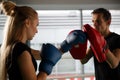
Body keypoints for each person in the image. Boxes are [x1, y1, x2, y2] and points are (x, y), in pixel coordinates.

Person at [0, 1, 62, 80]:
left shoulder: (13, 47)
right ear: (27, 22)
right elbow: (48, 57)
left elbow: (46, 55)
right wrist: (45, 70)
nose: (37, 31)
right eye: (36, 25)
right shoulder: (21, 51)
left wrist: (66, 45)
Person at [80, 8, 120, 80]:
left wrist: (102, 44)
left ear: (108, 22)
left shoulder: (117, 39)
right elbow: (84, 60)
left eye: (98, 21)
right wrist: (78, 46)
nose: (94, 24)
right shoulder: (95, 41)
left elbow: (114, 63)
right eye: (93, 21)